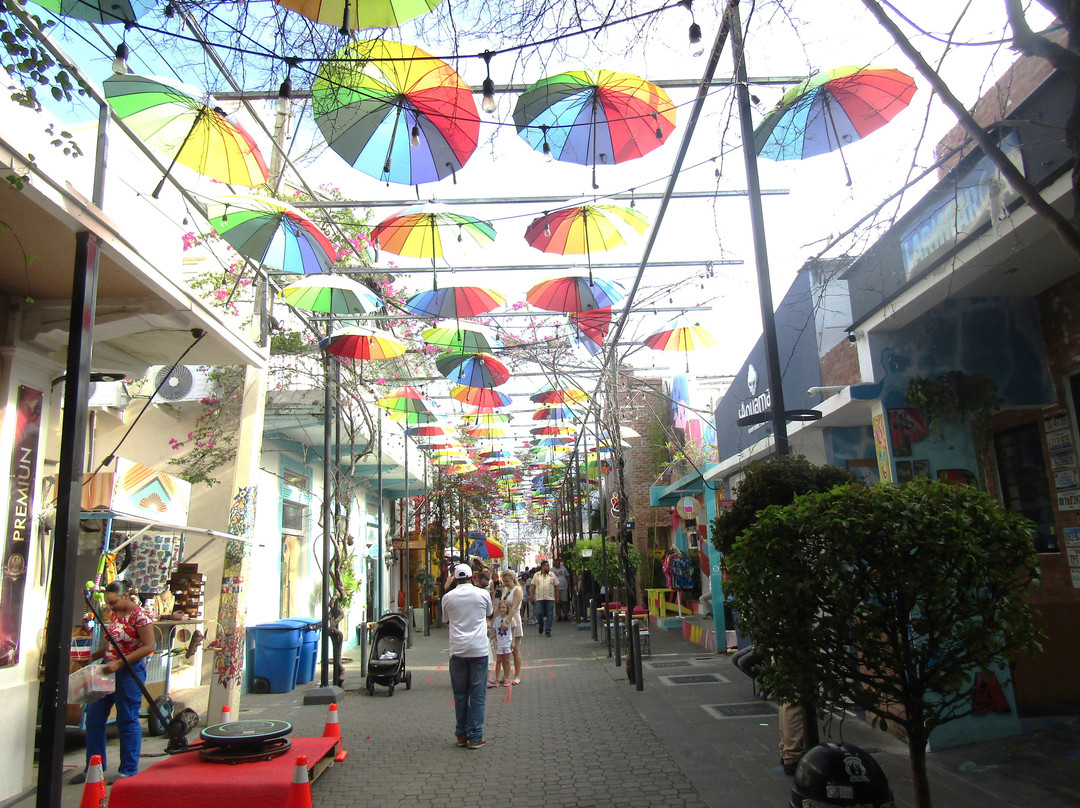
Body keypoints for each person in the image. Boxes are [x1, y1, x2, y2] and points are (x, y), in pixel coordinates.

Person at [73, 580, 155, 784]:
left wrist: (120, 663)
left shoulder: (141, 618)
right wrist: (93, 657)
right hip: (107, 668)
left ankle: (128, 768)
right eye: (108, 603)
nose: (111, 607)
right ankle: (94, 766)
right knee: (94, 717)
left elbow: (148, 646)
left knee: (127, 718)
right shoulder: (114, 615)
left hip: (128, 671)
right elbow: (113, 644)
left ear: (126, 596)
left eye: (114, 602)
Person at [441, 563, 492, 749]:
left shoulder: (447, 598)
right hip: (478, 649)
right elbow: (489, 613)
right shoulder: (483, 594)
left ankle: (461, 735)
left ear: (454, 578)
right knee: (477, 694)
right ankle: (475, 736)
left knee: (460, 694)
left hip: (457, 650)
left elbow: (445, 620)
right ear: (472, 577)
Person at [499, 569, 524, 684]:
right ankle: (506, 675)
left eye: (507, 581)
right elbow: (500, 605)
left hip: (514, 620)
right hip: (503, 619)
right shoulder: (505, 590)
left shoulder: (517, 590)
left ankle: (517, 675)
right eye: (503, 581)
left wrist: (507, 622)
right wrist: (491, 619)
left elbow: (514, 607)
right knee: (504, 650)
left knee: (515, 649)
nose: (505, 583)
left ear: (513, 579)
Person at [528, 559, 558, 636]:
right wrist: (531, 597)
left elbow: (556, 586)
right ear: (542, 566)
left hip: (550, 598)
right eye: (546, 566)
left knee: (550, 614)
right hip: (539, 598)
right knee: (539, 613)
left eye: (548, 566)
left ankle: (548, 630)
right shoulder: (536, 575)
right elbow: (533, 586)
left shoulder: (552, 575)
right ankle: (541, 625)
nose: (548, 567)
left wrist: (557, 596)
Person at [489, 600, 514, 687]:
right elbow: (495, 631)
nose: (502, 609)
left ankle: (507, 678)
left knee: (507, 660)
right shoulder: (497, 619)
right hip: (499, 642)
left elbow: (513, 630)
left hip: (507, 642)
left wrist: (513, 641)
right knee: (499, 660)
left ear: (507, 609)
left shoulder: (509, 619)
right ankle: (497, 678)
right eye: (500, 607)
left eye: (504, 607)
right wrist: (494, 641)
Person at [552, 556, 571, 621]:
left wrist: (569, 585)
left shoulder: (563, 568)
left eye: (559, 563)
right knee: (557, 603)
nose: (558, 564)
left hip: (564, 588)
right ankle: (559, 616)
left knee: (564, 602)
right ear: (554, 563)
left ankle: (565, 615)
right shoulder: (552, 570)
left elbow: (567, 577)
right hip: (555, 589)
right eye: (556, 563)